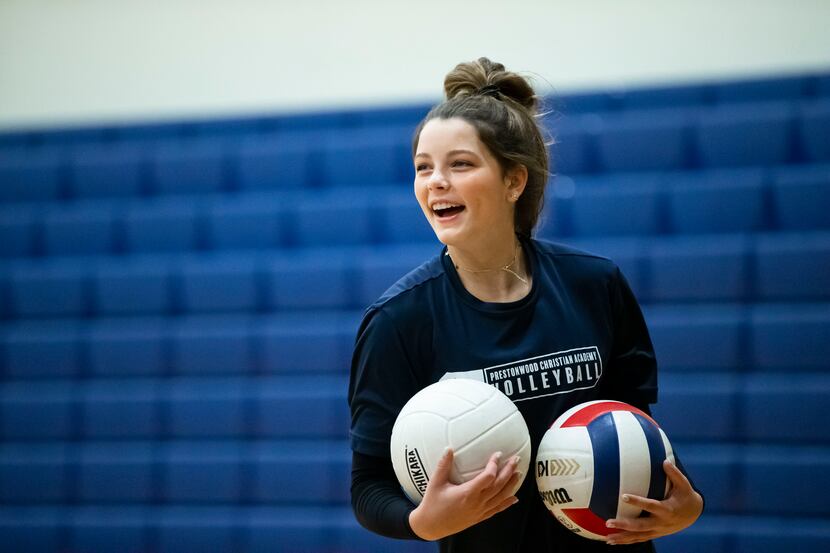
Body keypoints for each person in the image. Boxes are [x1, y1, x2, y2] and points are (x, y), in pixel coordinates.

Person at [348, 57, 703, 552]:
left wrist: (686, 503)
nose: (435, 182)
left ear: (514, 181)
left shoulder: (595, 284)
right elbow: (369, 486)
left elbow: (635, 429)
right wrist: (422, 522)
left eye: (460, 164)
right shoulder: (398, 320)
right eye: (423, 168)